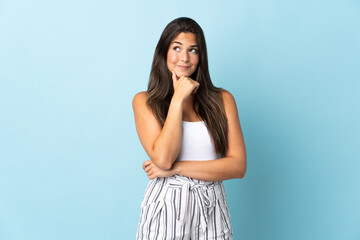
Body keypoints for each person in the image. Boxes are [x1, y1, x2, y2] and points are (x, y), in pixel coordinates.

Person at [132, 17, 246, 240]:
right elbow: (164, 159)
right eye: (176, 48)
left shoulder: (222, 100)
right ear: (164, 52)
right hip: (167, 205)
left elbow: (238, 166)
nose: (184, 57)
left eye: (193, 50)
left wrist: (176, 169)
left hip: (212, 204)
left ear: (200, 56)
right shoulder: (144, 101)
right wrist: (177, 99)